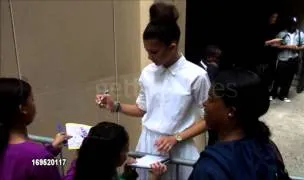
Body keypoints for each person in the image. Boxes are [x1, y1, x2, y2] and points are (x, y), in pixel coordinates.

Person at [96, 2, 210, 180]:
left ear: (172, 47)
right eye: (147, 51)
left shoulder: (196, 76)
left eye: (154, 52)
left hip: (178, 147)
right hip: (148, 144)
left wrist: (176, 138)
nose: (149, 57)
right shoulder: (148, 73)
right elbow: (143, 109)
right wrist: (115, 105)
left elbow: (209, 119)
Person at [188, 68, 290, 180]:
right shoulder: (268, 147)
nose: (204, 103)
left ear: (231, 111)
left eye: (211, 99)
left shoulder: (210, 168)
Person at [0, 77, 70, 180]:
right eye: (32, 100)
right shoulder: (38, 156)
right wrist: (78, 164)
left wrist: (51, 148)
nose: (34, 104)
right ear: (22, 108)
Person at [63, 122, 167, 180]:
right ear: (112, 154)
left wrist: (127, 175)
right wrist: (154, 177)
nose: (127, 155)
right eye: (125, 150)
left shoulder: (84, 166)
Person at [270, 16, 304, 102]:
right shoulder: (282, 33)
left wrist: (297, 48)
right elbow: (274, 45)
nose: (293, 27)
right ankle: (273, 94)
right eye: (291, 25)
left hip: (293, 59)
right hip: (282, 59)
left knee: (289, 78)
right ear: (288, 25)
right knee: (277, 77)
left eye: (294, 25)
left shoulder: (299, 34)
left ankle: (283, 95)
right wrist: (287, 46)